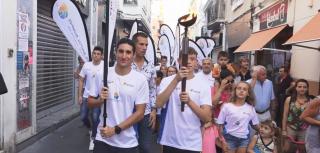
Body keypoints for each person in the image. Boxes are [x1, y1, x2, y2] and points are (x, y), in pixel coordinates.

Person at [88, 38, 149, 153]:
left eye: (128, 52)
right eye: (121, 51)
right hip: (103, 139)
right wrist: (100, 100)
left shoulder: (140, 79)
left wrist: (116, 129)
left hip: (127, 143)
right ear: (116, 52)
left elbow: (140, 113)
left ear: (133, 55)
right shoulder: (102, 74)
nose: (124, 56)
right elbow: (90, 103)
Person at [156, 47, 212, 153]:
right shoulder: (167, 81)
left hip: (192, 143)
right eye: (186, 58)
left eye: (192, 59)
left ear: (196, 62)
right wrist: (176, 80)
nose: (189, 62)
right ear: (179, 61)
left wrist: (189, 102)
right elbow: (158, 103)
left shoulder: (204, 85)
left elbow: (207, 117)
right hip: (170, 141)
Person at [131, 32, 160, 153]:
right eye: (141, 44)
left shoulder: (151, 67)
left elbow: (153, 90)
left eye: (146, 45)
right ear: (134, 44)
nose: (144, 47)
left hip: (146, 111)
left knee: (146, 147)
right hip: (127, 111)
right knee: (129, 145)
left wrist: (154, 110)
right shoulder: (126, 64)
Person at [217, 81, 260, 153]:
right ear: (235, 91)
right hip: (229, 138)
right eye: (239, 88)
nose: (241, 91)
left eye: (244, 89)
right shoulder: (227, 106)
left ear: (248, 93)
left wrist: (270, 129)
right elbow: (219, 125)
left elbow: (256, 125)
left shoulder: (251, 108)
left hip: (244, 140)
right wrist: (222, 141)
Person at [202, 69, 234, 153]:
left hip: (229, 124)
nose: (230, 83)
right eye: (227, 81)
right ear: (221, 80)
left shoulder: (233, 91)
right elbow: (213, 104)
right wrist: (221, 88)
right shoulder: (213, 89)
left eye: (232, 81)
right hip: (215, 123)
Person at [78, 46, 104, 150]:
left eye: (98, 54)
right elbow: (81, 80)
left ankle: (93, 138)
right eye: (94, 53)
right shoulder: (86, 65)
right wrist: (79, 95)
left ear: (101, 56)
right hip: (86, 95)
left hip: (97, 96)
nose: (96, 55)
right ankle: (90, 129)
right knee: (83, 117)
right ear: (92, 54)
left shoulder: (104, 65)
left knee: (95, 117)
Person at [282, 79, 311, 153]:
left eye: (304, 87)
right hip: (290, 128)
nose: (302, 88)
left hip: (304, 130)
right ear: (296, 88)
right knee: (287, 149)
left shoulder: (311, 101)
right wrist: (284, 130)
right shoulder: (289, 99)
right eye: (300, 86)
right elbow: (285, 115)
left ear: (307, 88)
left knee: (303, 149)